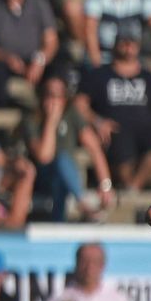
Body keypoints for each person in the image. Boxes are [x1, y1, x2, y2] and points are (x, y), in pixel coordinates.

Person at [78, 36, 151, 193]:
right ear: (115, 46)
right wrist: (97, 121)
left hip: (146, 130)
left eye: (132, 42)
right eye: (124, 42)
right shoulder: (100, 74)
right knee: (122, 153)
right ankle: (130, 188)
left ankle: (132, 189)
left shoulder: (148, 77)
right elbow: (79, 104)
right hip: (116, 130)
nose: (128, 46)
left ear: (138, 47)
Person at [17, 74, 113, 222]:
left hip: (67, 177)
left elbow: (94, 147)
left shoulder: (71, 114)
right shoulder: (32, 119)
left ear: (64, 98)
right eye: (49, 95)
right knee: (59, 162)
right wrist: (51, 121)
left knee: (61, 175)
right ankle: (81, 203)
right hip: (41, 178)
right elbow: (44, 157)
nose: (53, 100)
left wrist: (105, 184)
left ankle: (60, 223)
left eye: (58, 96)